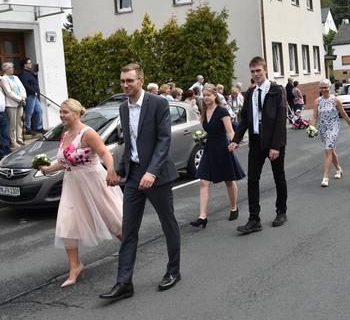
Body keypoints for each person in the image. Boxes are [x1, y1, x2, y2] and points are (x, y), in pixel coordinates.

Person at [99, 63, 181, 301]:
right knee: (129, 230)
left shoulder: (158, 103)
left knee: (168, 224)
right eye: (122, 81)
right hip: (134, 176)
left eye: (130, 81)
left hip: (158, 177)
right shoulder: (123, 108)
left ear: (141, 81)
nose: (125, 85)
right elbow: (130, 144)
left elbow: (164, 140)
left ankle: (173, 271)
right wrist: (119, 171)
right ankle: (124, 283)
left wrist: (152, 172)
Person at [38, 99, 123, 288]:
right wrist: (47, 169)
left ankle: (129, 247)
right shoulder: (65, 135)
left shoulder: (88, 133)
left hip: (93, 182)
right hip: (72, 184)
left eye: (65, 112)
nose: (61, 115)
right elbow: (65, 161)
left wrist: (110, 170)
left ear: (77, 114)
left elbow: (104, 153)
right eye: (61, 112)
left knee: (112, 219)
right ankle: (75, 266)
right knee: (67, 223)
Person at [229, 56, 287, 234]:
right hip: (255, 141)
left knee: (278, 177)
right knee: (252, 180)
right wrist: (235, 140)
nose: (256, 74)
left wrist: (275, 146)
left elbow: (280, 119)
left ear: (265, 70)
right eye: (253, 71)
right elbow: (245, 119)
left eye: (258, 71)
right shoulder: (250, 93)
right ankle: (254, 219)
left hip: (273, 141)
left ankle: (281, 211)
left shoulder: (277, 90)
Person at [190, 84, 245, 228]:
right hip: (209, 149)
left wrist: (234, 143)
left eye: (208, 95)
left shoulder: (222, 111)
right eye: (204, 95)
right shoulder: (204, 111)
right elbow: (210, 130)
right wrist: (202, 136)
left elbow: (230, 131)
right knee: (203, 181)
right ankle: (202, 217)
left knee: (229, 180)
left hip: (222, 148)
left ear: (215, 96)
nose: (206, 97)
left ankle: (234, 208)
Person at [310, 79, 350, 187]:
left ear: (330, 88)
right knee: (330, 149)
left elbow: (343, 114)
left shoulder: (336, 100)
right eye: (322, 87)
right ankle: (338, 168)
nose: (324, 89)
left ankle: (325, 177)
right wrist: (312, 127)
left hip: (333, 127)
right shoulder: (317, 101)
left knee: (327, 150)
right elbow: (315, 117)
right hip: (323, 128)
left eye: (326, 87)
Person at [0, 62, 26, 149]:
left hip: (20, 102)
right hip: (11, 104)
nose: (12, 69)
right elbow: (8, 92)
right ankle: (13, 141)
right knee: (12, 123)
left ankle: (19, 139)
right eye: (10, 67)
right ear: (5, 69)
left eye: (12, 67)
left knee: (19, 122)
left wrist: (23, 97)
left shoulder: (16, 77)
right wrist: (19, 99)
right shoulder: (3, 79)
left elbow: (22, 88)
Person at [20, 57, 45, 135]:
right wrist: (33, 91)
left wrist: (35, 74)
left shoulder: (29, 72)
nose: (31, 64)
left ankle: (38, 127)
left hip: (34, 95)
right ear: (25, 65)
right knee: (29, 113)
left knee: (39, 111)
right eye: (29, 63)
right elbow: (25, 84)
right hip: (30, 95)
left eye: (31, 63)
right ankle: (28, 129)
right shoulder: (23, 73)